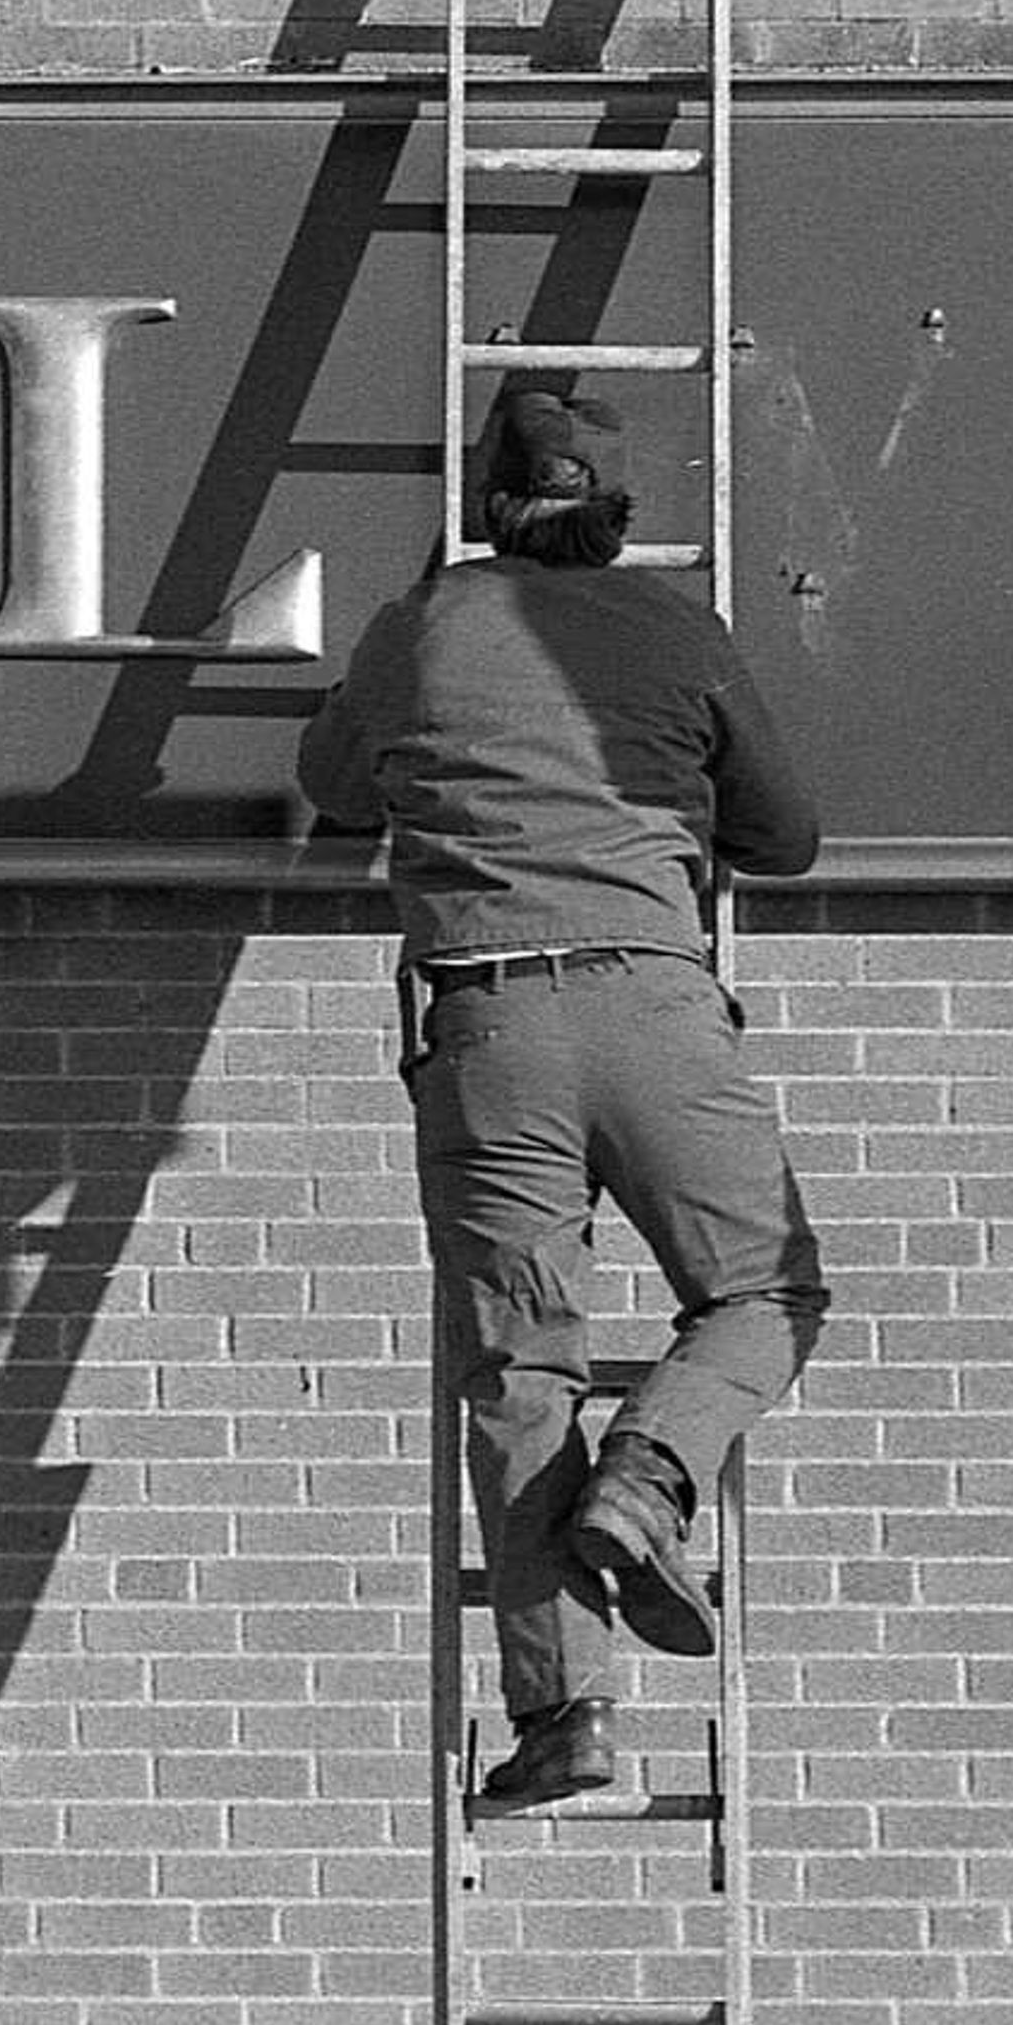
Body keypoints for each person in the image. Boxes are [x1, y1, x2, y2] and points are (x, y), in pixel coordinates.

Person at [295, 387, 829, 1808]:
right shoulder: (680, 633)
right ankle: (653, 1470)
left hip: (488, 1026)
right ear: (617, 514)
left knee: (520, 1371)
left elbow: (331, 786)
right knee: (765, 1294)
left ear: (488, 503)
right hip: (658, 1008)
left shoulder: (424, 625)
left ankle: (566, 1718)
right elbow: (789, 836)